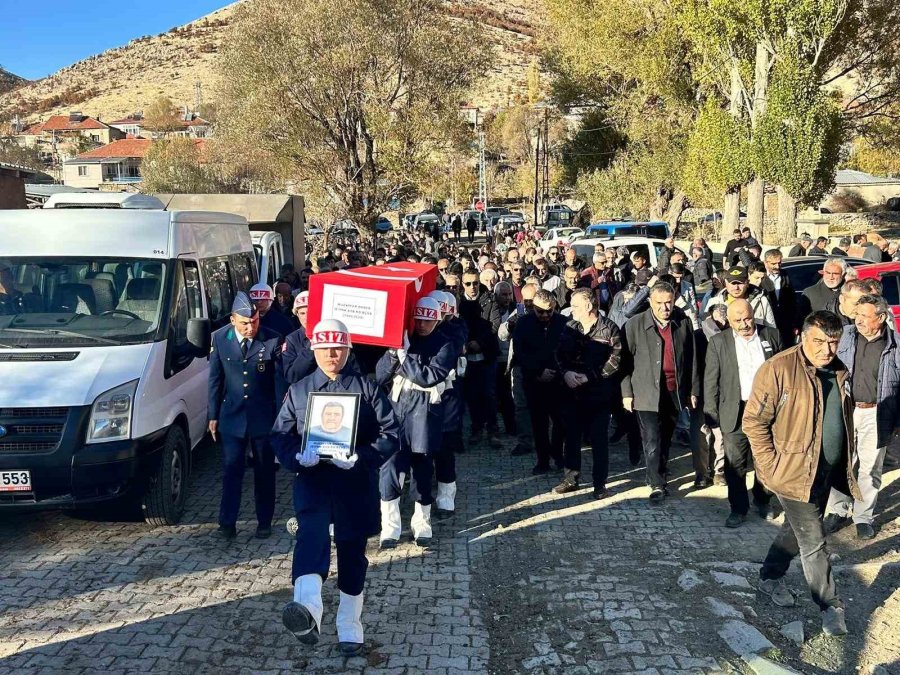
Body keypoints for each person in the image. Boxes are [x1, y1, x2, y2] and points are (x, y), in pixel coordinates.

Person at [273, 319, 400, 655]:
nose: (332, 354)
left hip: (354, 483)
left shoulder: (367, 389)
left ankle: (349, 624)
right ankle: (309, 610)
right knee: (310, 536)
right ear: (313, 349)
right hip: (313, 481)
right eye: (325, 348)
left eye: (339, 348)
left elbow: (391, 435)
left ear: (348, 350)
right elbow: (279, 435)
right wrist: (299, 457)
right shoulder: (299, 391)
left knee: (351, 552)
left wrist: (361, 457)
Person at [743, 311, 860, 636]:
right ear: (803, 336)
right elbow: (753, 422)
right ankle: (831, 607)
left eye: (833, 342)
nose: (827, 349)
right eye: (820, 341)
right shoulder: (778, 369)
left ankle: (768, 577)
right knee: (814, 542)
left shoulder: (838, 370)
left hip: (824, 473)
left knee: (795, 533)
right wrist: (769, 468)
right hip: (792, 473)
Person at [376, 297, 456, 548]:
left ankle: (422, 521)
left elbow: (427, 376)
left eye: (428, 320)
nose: (422, 324)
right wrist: (392, 352)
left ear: (437, 319)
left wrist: (404, 357)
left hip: (424, 410)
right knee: (389, 466)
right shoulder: (405, 338)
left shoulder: (445, 345)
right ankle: (390, 525)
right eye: (418, 319)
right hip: (397, 408)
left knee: (421, 466)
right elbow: (379, 376)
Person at [207, 292, 285, 540]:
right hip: (232, 416)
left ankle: (264, 521)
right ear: (232, 320)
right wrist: (213, 414)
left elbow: (279, 383)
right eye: (244, 323)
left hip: (263, 417)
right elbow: (215, 379)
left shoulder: (272, 339)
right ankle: (227, 523)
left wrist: (282, 420)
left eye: (254, 321)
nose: (250, 327)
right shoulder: (221, 338)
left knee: (264, 471)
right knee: (232, 470)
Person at [825, 295, 900, 539]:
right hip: (846, 409)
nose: (859, 321)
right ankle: (838, 510)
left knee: (870, 467)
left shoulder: (896, 345)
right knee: (840, 461)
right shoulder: (845, 336)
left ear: (880, 318)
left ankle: (863, 516)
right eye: (857, 315)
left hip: (876, 413)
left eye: (865, 316)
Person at [704, 300, 783, 528]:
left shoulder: (772, 336)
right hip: (734, 409)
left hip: (765, 409)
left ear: (753, 315)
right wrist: (711, 414)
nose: (744, 324)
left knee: (764, 459)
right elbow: (711, 380)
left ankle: (763, 500)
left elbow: (784, 373)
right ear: (729, 321)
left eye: (747, 318)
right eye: (737, 320)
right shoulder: (719, 342)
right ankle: (738, 508)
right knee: (735, 462)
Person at [621, 282, 699, 502]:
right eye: (660, 303)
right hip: (646, 391)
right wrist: (627, 393)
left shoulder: (682, 323)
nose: (665, 308)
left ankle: (658, 471)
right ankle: (657, 484)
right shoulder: (634, 325)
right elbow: (624, 364)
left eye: (669, 302)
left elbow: (691, 359)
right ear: (650, 302)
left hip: (673, 390)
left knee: (665, 437)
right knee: (652, 438)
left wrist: (692, 389)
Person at [555, 288, 623, 499]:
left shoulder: (609, 329)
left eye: (575, 306)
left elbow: (616, 360)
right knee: (571, 436)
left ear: (588, 306)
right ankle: (571, 478)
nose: (571, 310)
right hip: (571, 392)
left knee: (598, 440)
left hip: (598, 394)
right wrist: (565, 373)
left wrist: (591, 377)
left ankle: (599, 484)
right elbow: (557, 354)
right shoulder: (569, 327)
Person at [513, 289, 567, 474]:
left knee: (560, 422)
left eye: (549, 311)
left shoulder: (562, 322)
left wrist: (557, 371)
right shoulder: (524, 323)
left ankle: (558, 455)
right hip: (534, 380)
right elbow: (521, 352)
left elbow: (567, 350)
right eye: (540, 312)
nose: (545, 315)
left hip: (558, 381)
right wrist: (537, 371)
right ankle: (542, 460)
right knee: (539, 423)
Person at [705, 267, 776, 329]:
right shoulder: (714, 302)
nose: (736, 287)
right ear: (726, 283)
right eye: (733, 283)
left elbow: (771, 328)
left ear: (747, 283)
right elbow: (707, 330)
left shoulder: (761, 301)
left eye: (740, 283)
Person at [758, 249, 797, 347]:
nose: (777, 266)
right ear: (765, 263)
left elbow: (792, 301)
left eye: (779, 263)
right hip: (766, 323)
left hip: (785, 324)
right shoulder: (760, 277)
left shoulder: (785, 276)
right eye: (773, 264)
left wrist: (794, 323)